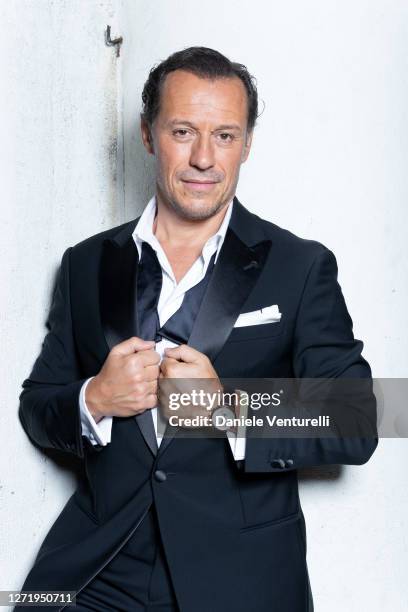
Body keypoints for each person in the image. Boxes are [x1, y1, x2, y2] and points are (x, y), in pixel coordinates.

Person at [16, 46, 378, 612]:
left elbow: (356, 417)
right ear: (147, 134)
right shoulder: (85, 263)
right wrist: (95, 399)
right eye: (183, 131)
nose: (204, 158)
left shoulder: (300, 266)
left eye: (226, 136)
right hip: (95, 574)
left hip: (240, 581)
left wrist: (229, 409)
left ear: (248, 143)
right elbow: (38, 403)